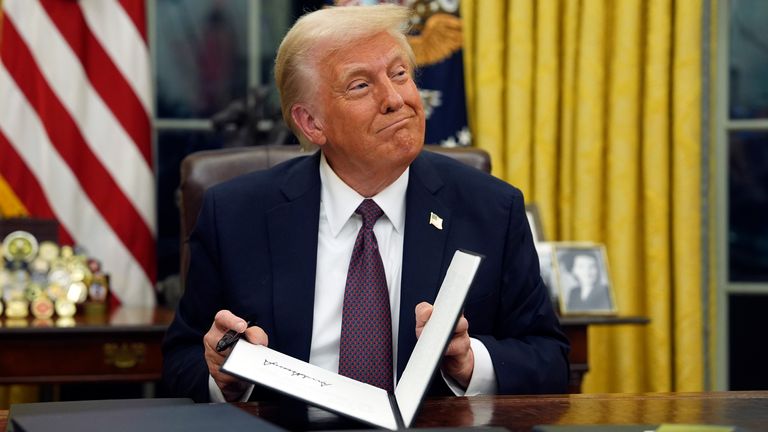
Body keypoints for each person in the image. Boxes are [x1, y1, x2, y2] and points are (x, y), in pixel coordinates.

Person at [162, 4, 570, 403]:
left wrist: (469, 362)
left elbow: (551, 360)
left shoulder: (491, 210)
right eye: (361, 85)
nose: (396, 99)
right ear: (311, 123)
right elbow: (181, 363)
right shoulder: (235, 215)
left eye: (400, 74)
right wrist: (227, 379)